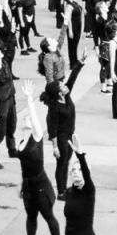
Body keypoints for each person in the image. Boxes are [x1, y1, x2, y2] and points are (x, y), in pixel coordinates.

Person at [16, 81, 62, 235]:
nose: (28, 118)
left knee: (48, 215)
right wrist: (22, 185)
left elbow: (35, 117)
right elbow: (23, 167)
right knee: (31, 216)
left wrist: (28, 99)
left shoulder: (36, 136)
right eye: (25, 117)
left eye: (29, 117)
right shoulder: (21, 141)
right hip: (28, 184)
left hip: (41, 184)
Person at [43, 51, 85, 199]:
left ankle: (63, 188)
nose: (64, 85)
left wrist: (80, 62)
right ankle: (61, 191)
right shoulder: (54, 107)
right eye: (61, 85)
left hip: (70, 134)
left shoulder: (66, 95)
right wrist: (54, 147)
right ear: (58, 92)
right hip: (61, 137)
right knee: (61, 164)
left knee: (66, 162)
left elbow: (72, 79)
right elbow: (52, 128)